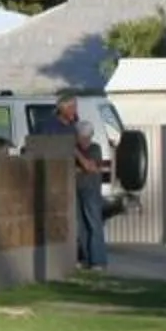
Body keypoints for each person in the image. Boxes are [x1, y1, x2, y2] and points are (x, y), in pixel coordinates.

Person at [58, 96, 110, 271]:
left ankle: (98, 261)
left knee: (94, 224)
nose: (84, 140)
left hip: (90, 191)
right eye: (81, 137)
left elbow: (90, 167)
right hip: (77, 190)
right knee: (81, 226)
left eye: (86, 137)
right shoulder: (75, 149)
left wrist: (77, 161)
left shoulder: (94, 149)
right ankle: (87, 259)